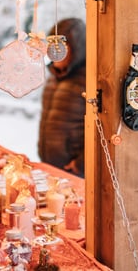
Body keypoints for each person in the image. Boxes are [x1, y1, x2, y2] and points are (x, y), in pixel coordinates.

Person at [38, 17, 86, 177]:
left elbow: (103, 130)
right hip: (49, 167)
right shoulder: (53, 77)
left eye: (62, 47)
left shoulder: (89, 81)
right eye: (52, 45)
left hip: (73, 172)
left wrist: (81, 164)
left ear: (77, 49)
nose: (55, 52)